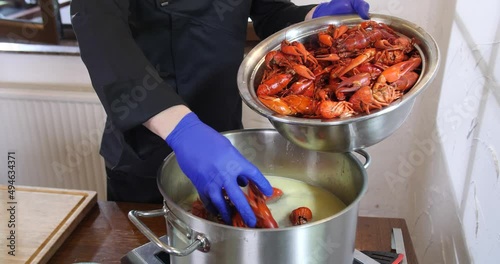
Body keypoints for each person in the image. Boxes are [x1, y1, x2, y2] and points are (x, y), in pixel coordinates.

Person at [70, 0, 370, 228]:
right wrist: (182, 130)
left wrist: (312, 17)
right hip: (147, 148)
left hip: (225, 137)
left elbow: (269, 12)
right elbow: (99, 32)